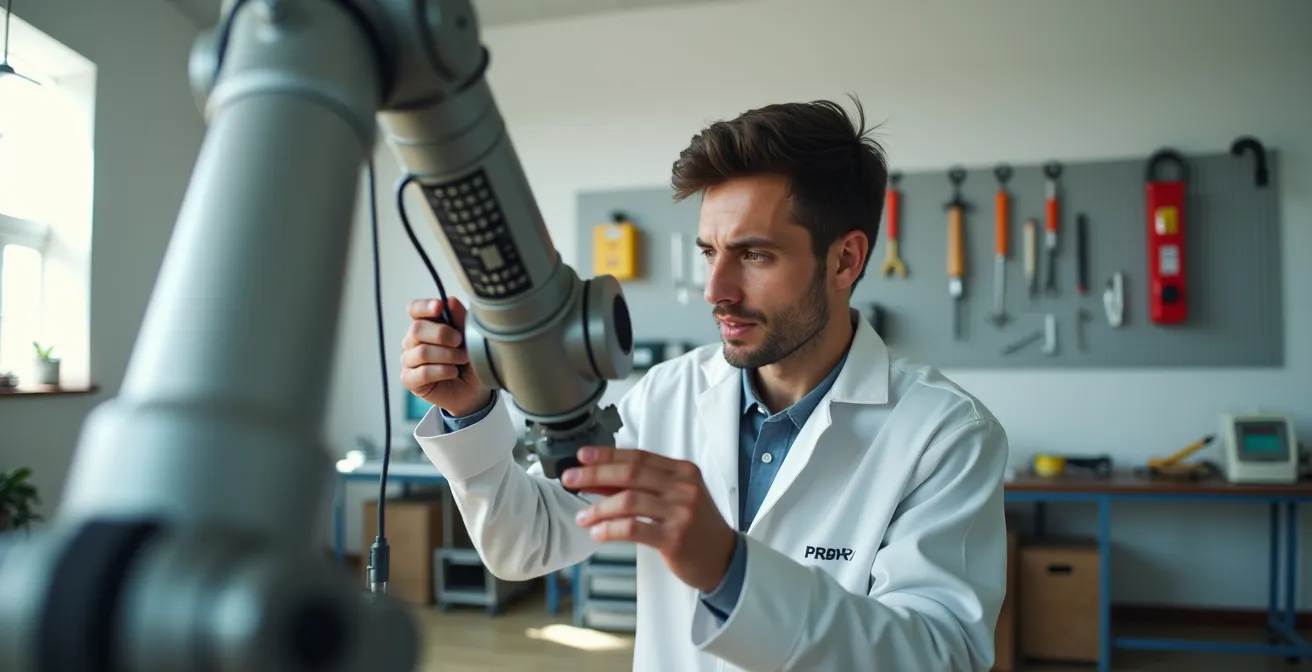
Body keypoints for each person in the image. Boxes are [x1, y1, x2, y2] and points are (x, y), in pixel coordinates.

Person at [401, 97, 1009, 672]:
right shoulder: (666, 395)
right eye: (708, 251)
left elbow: (939, 654)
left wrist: (731, 569)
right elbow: (526, 544)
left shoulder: (945, 434)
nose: (715, 290)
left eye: (754, 255)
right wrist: (470, 414)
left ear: (845, 260)